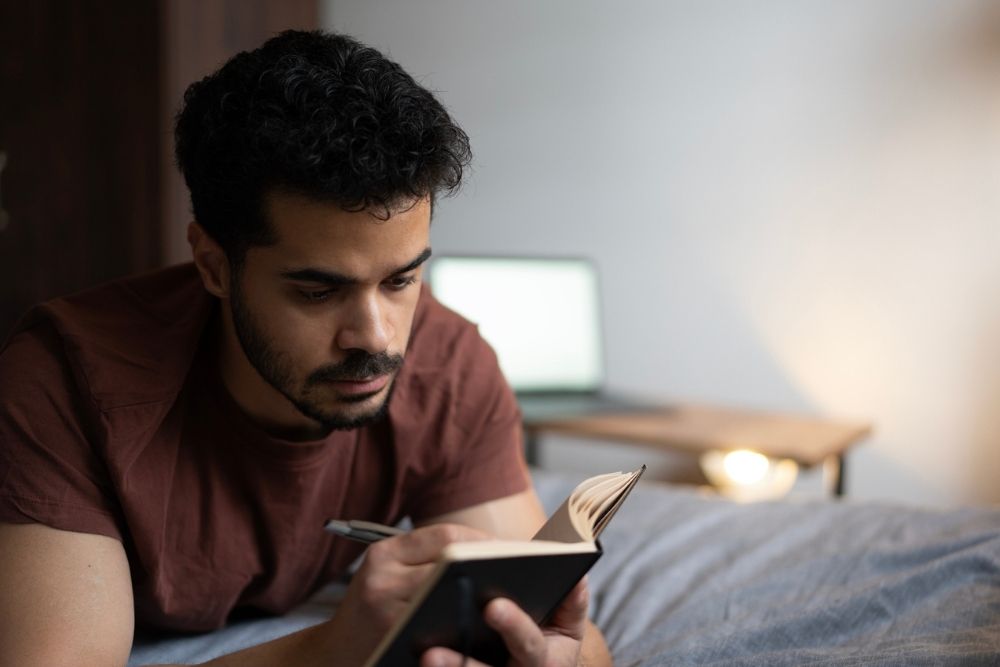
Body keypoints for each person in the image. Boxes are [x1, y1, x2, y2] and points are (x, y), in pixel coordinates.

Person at [0, 30, 612, 667]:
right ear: (213, 264)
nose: (376, 338)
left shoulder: (448, 366)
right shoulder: (62, 383)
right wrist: (336, 649)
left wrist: (551, 657)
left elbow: (573, 641)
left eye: (401, 279)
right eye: (318, 291)